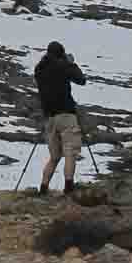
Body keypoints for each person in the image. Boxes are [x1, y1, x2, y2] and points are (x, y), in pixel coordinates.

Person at [35, 41, 88, 196]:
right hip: (66, 115)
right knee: (70, 152)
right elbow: (81, 80)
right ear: (61, 54)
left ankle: (43, 188)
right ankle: (69, 187)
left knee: (54, 156)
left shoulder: (40, 69)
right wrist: (71, 63)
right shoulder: (63, 66)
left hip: (49, 117)